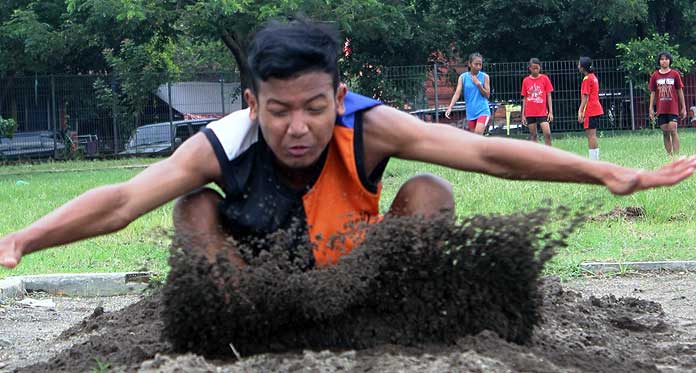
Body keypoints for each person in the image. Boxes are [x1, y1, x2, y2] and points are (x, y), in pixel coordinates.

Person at [2, 19, 696, 270]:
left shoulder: (367, 123)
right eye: (278, 112)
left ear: (337, 99)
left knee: (430, 192)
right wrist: (21, 240)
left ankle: (392, 318)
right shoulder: (226, 139)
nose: (297, 127)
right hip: (257, 285)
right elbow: (123, 201)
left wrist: (607, 175)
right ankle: (239, 332)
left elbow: (486, 153)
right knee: (192, 207)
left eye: (313, 108)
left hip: (358, 268)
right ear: (253, 104)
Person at [649, 51, 686, 155]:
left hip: (673, 108)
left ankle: (676, 155)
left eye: (666, 59)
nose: (664, 61)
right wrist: (651, 108)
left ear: (670, 61)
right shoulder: (655, 75)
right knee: (665, 132)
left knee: (673, 129)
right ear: (659, 61)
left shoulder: (675, 74)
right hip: (661, 108)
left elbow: (680, 90)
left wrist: (683, 107)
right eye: (662, 59)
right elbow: (652, 92)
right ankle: (669, 156)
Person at [445, 53, 491, 135]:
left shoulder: (485, 77)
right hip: (471, 113)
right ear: (470, 64)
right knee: (474, 139)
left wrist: (479, 85)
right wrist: (450, 107)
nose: (478, 67)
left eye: (480, 64)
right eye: (476, 64)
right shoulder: (463, 77)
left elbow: (487, 95)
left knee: (477, 134)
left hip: (483, 111)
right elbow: (457, 93)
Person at [521, 58, 554, 146]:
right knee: (533, 135)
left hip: (542, 112)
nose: (535, 70)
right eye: (533, 68)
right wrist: (523, 114)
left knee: (547, 134)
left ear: (540, 68)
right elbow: (524, 98)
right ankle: (536, 156)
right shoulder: (525, 81)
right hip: (530, 112)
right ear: (529, 68)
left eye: (537, 68)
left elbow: (549, 95)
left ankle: (549, 153)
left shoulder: (545, 78)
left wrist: (550, 111)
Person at [577, 57, 603, 160]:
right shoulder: (593, 77)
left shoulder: (587, 79)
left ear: (583, 67)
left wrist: (580, 110)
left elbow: (585, 96)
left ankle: (593, 161)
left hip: (590, 110)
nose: (578, 66)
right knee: (593, 135)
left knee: (591, 136)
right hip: (596, 108)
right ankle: (595, 159)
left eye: (579, 64)